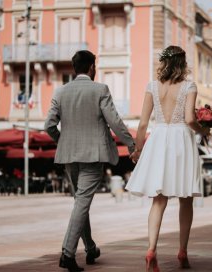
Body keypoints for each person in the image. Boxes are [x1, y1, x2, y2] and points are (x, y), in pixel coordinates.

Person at [45, 50, 135, 272]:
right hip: (93, 155)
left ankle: (91, 248)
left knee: (80, 202)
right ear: (92, 67)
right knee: (82, 202)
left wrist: (63, 140)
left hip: (69, 156)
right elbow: (114, 121)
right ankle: (67, 254)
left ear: (74, 68)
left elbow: (48, 125)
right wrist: (131, 144)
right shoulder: (100, 90)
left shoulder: (61, 91)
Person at [126, 46, 210, 271]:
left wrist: (137, 150)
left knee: (158, 199)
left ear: (164, 62)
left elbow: (143, 124)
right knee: (186, 199)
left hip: (159, 137)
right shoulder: (189, 85)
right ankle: (182, 252)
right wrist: (205, 131)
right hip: (181, 139)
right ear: (182, 64)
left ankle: (151, 249)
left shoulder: (152, 86)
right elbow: (190, 119)